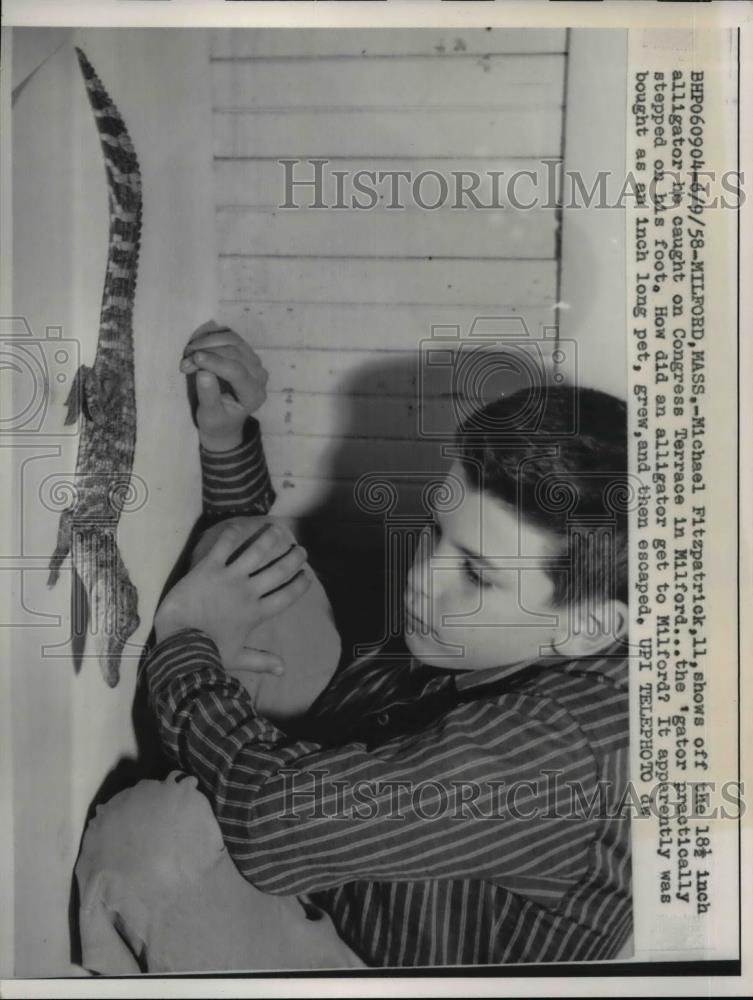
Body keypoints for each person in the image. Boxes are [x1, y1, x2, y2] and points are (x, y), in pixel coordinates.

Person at [76, 322, 633, 972]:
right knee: (264, 570)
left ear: (592, 626)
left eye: (476, 573)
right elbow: (334, 676)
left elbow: (266, 822)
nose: (423, 578)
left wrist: (183, 641)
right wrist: (226, 443)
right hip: (363, 876)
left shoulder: (557, 757)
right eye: (434, 531)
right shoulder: (541, 633)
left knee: (151, 836)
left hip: (379, 976)